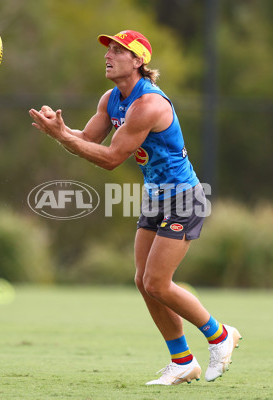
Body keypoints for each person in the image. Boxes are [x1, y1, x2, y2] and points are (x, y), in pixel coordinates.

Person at [29, 30, 241, 386]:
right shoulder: (111, 99)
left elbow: (111, 158)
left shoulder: (149, 105)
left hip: (185, 199)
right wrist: (61, 130)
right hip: (156, 198)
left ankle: (220, 336)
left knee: (157, 282)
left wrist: (63, 137)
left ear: (139, 61)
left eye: (117, 51)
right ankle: (183, 361)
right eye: (107, 50)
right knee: (144, 283)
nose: (108, 56)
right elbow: (89, 141)